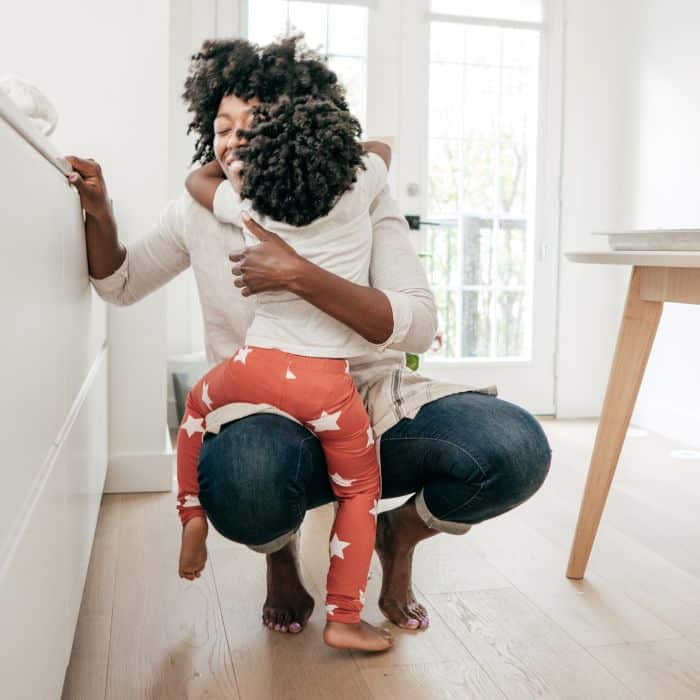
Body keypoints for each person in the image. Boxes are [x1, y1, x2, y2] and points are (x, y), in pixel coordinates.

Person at [66, 35, 552, 637]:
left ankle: (396, 537)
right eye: (222, 124)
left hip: (368, 403)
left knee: (517, 449)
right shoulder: (202, 211)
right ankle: (280, 555)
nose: (233, 137)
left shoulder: (359, 198)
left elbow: (421, 323)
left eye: (256, 120)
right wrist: (100, 208)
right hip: (261, 414)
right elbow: (120, 284)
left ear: (300, 123)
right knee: (246, 480)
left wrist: (299, 276)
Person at [177, 86, 396, 651]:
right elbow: (381, 148)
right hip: (325, 385)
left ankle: (191, 515)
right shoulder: (358, 184)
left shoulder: (250, 200)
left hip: (254, 367)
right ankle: (345, 617)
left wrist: (239, 160)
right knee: (360, 492)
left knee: (197, 411)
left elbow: (196, 182)